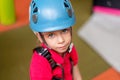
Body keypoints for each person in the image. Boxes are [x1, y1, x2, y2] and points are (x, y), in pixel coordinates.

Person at [29, 0, 82, 80]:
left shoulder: (70, 48)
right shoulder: (40, 63)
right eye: (51, 35)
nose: (61, 40)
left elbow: (76, 73)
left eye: (64, 31)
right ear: (40, 37)